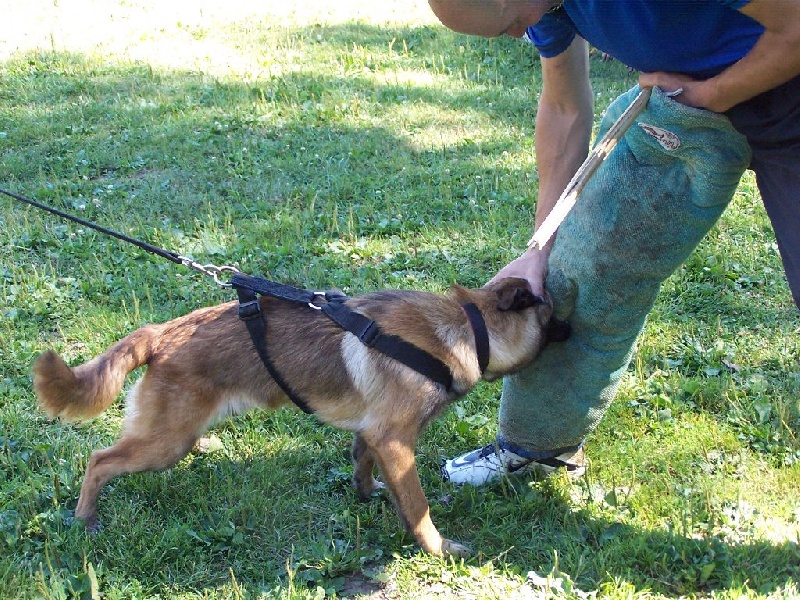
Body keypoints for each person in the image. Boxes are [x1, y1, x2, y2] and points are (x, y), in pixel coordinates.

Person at [426, 0, 800, 485]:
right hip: (685, 106)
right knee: (573, 277)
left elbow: (795, 27)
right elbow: (563, 108)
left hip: (775, 85)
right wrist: (540, 247)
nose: (517, 35)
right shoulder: (547, 6)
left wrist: (711, 94)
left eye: (509, 25)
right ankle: (540, 446)